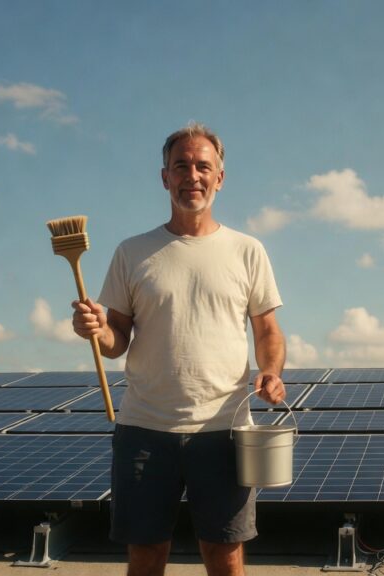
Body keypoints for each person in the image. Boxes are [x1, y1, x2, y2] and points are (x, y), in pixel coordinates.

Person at [71, 122, 286, 576]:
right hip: (145, 430)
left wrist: (270, 369)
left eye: (202, 166)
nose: (193, 175)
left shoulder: (248, 250)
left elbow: (267, 330)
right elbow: (116, 342)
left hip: (225, 431)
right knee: (146, 557)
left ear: (220, 177)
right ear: (164, 177)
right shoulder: (132, 252)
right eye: (181, 166)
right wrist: (97, 328)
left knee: (225, 558)